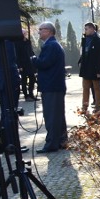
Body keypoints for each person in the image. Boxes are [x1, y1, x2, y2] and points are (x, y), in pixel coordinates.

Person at [32, 22, 68, 153]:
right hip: (55, 86)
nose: (39, 32)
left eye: (41, 29)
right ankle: (61, 141)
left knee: (52, 116)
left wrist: (33, 60)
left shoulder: (50, 45)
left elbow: (44, 63)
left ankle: (52, 144)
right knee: (58, 115)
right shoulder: (53, 44)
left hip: (51, 86)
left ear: (49, 31)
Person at [78, 22, 100, 114]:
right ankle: (84, 107)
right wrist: (80, 62)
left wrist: (99, 71)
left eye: (86, 29)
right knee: (85, 88)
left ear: (92, 29)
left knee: (96, 88)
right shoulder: (84, 39)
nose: (85, 31)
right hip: (86, 68)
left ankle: (98, 106)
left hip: (94, 68)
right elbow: (83, 53)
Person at [16, 29, 37, 101]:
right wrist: (19, 65)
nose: (25, 34)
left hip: (30, 62)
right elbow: (17, 55)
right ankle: (26, 95)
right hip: (22, 64)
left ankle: (31, 93)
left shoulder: (28, 41)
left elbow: (31, 51)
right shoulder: (18, 43)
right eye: (24, 33)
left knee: (32, 78)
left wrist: (34, 59)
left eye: (26, 33)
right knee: (24, 80)